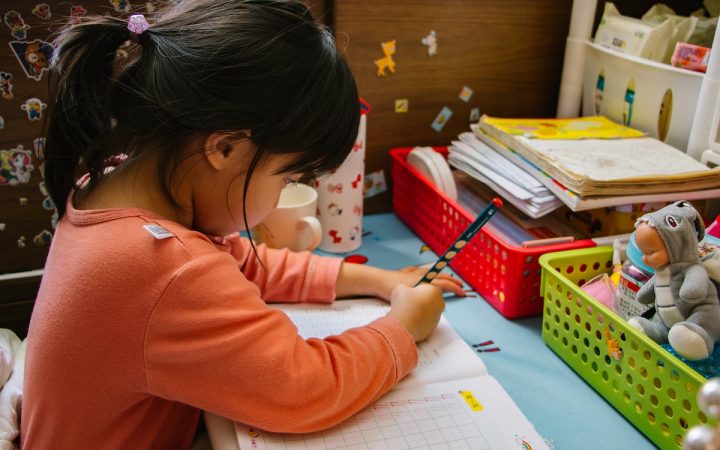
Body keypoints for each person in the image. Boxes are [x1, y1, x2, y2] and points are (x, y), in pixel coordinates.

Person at [21, 1, 464, 448]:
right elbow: (302, 389)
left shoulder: (113, 182)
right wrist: (402, 330)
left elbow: (238, 263)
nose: (279, 199)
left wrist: (376, 280)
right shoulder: (164, 266)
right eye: (288, 178)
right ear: (226, 148)